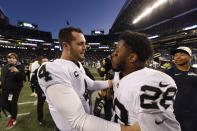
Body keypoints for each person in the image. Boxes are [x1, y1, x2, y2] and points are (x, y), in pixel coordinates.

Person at [37, 27, 138, 131]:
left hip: (86, 123)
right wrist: (128, 129)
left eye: (85, 43)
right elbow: (79, 119)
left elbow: (91, 84)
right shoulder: (53, 69)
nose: (85, 47)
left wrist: (114, 81)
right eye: (80, 44)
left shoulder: (77, 64)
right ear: (66, 45)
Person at [110, 30, 181, 131]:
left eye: (117, 51)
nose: (113, 54)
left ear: (132, 57)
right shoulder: (120, 74)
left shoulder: (153, 82)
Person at [164, 46, 197, 131]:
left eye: (182, 54)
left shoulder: (195, 71)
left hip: (193, 115)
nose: (177, 57)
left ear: (190, 57)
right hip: (174, 115)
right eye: (175, 55)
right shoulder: (167, 73)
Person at [1, 53, 25, 129]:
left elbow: (23, 77)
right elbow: (2, 78)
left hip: (14, 89)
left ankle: (13, 119)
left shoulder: (19, 66)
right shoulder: (5, 67)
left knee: (13, 103)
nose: (11, 59)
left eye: (13, 58)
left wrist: (17, 72)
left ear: (16, 59)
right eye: (9, 58)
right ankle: (13, 114)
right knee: (3, 103)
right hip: (5, 88)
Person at [31, 57, 48, 125]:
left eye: (46, 61)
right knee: (40, 104)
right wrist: (38, 88)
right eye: (44, 61)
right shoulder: (36, 71)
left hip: (51, 90)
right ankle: (40, 119)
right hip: (41, 91)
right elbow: (33, 81)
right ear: (40, 62)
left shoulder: (53, 70)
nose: (45, 62)